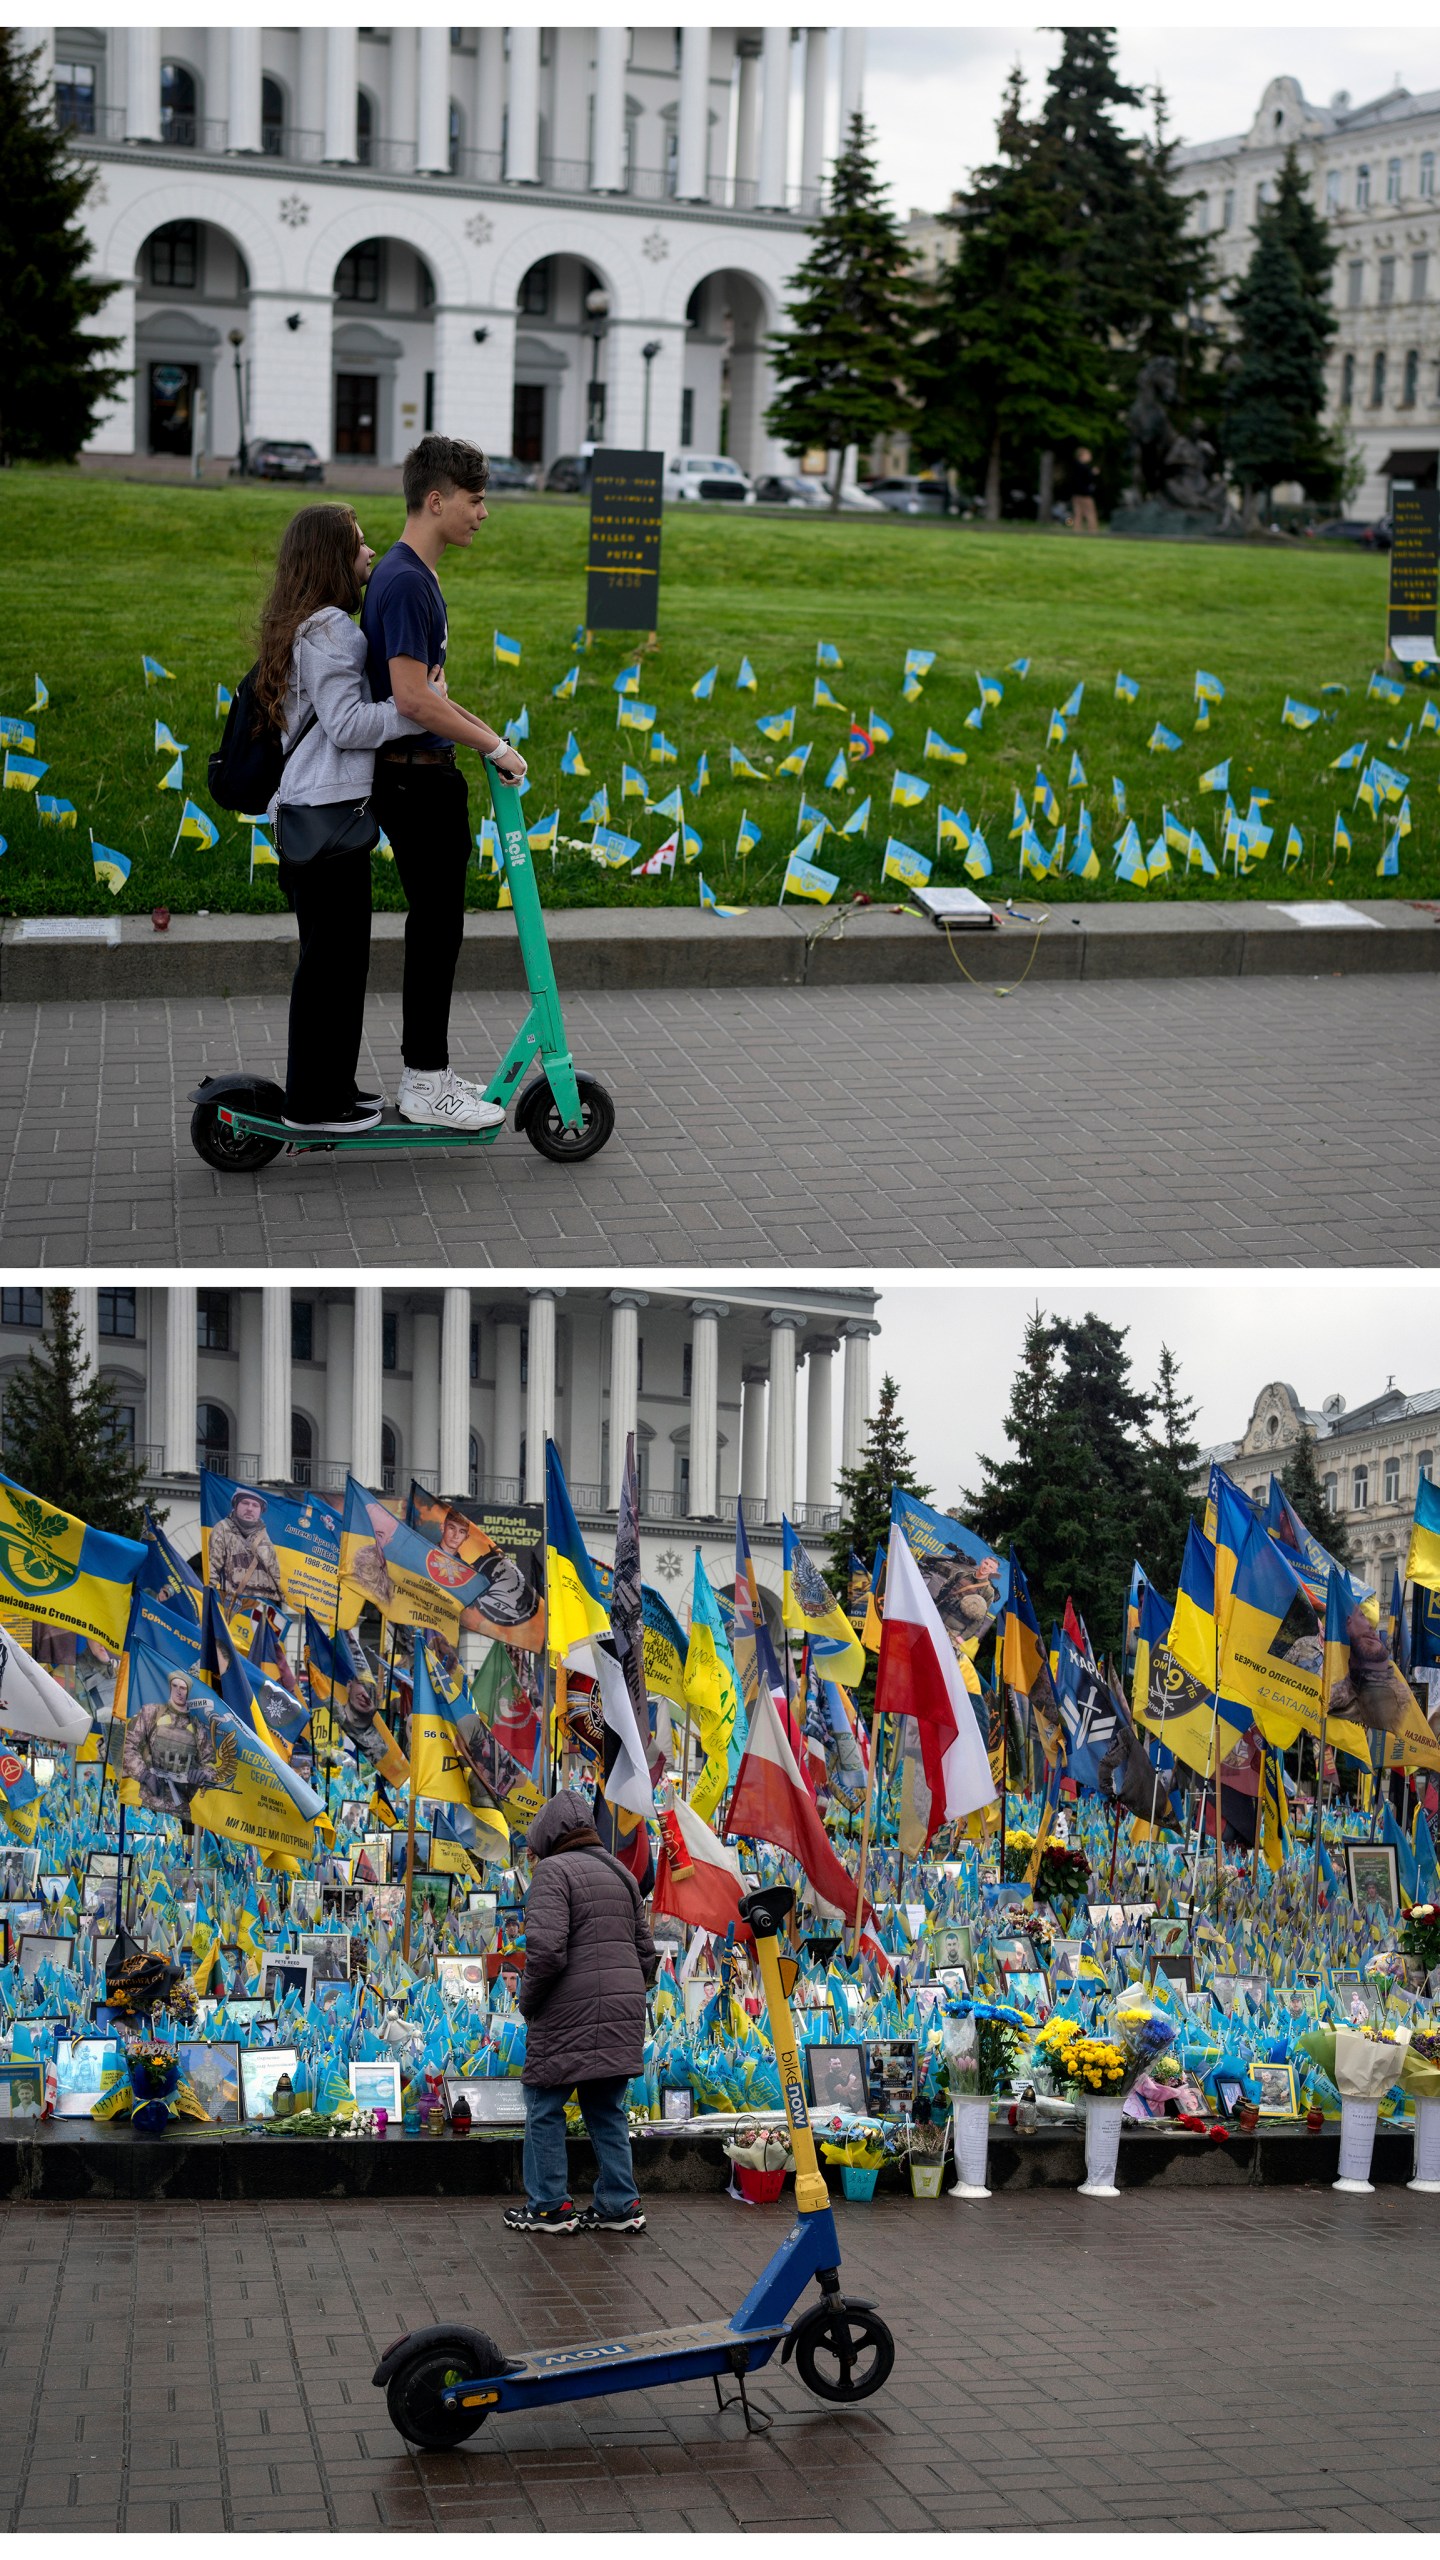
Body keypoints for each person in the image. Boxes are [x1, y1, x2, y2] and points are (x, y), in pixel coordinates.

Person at [362, 435, 529, 1133]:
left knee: (442, 928)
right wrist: (490, 741)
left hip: (426, 775)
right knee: (437, 932)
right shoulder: (404, 581)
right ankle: (425, 1082)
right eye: (476, 498)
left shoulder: (412, 577)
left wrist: (492, 740)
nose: (483, 513)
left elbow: (430, 693)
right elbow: (410, 699)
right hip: (413, 783)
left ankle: (428, 1071)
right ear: (437, 500)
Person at [256, 503, 429, 1136]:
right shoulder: (329, 631)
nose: (370, 552)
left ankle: (333, 1087)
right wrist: (418, 708)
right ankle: (311, 1103)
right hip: (323, 818)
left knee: (339, 960)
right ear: (332, 557)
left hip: (325, 815)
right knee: (330, 964)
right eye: (358, 544)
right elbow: (349, 725)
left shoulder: (308, 624)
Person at [506, 1787, 657, 2235]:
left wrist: (528, 2000)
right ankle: (619, 2203)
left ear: (548, 1834)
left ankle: (550, 2206)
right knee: (606, 2106)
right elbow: (646, 1955)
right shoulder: (621, 1872)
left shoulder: (552, 1872)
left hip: (567, 2011)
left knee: (545, 2103)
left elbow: (547, 1952)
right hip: (622, 2011)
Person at [206, 1489, 282, 1606]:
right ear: (236, 1506)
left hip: (260, 1607)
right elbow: (212, 1569)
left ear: (261, 1511)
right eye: (245, 1503)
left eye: (255, 1505)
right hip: (232, 1603)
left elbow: (277, 1577)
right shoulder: (222, 1529)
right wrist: (211, 1602)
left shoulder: (265, 1537)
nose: (250, 1509)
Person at [1070, 447, 1099, 534]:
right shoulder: (1083, 468)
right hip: (1085, 495)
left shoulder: (1075, 466)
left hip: (1076, 494)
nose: (1090, 456)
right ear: (1081, 456)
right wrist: (1092, 474)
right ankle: (1093, 532)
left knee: (1078, 514)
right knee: (1090, 514)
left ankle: (1076, 531)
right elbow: (1085, 480)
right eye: (1088, 454)